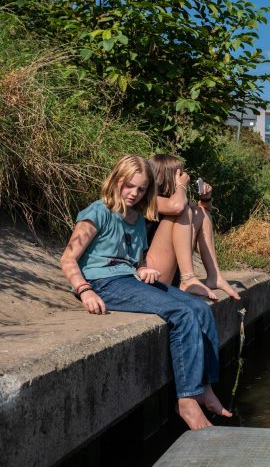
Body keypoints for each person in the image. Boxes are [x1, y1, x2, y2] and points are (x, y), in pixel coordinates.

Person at [60, 154, 232, 430]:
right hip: (105, 283)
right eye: (129, 186)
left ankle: (205, 388)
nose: (134, 194)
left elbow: (134, 261)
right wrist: (84, 291)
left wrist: (143, 270)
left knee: (199, 308)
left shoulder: (137, 218)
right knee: (181, 313)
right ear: (116, 180)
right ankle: (186, 401)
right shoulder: (97, 212)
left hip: (130, 280)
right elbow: (68, 259)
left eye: (141, 189)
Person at [146, 153, 240, 301]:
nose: (185, 176)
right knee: (184, 210)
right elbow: (177, 207)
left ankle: (214, 276)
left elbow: (202, 216)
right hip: (152, 275)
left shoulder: (174, 201)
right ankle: (188, 278)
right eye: (180, 173)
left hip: (169, 271)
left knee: (198, 210)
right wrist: (181, 186)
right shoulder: (148, 199)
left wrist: (206, 198)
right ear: (168, 176)